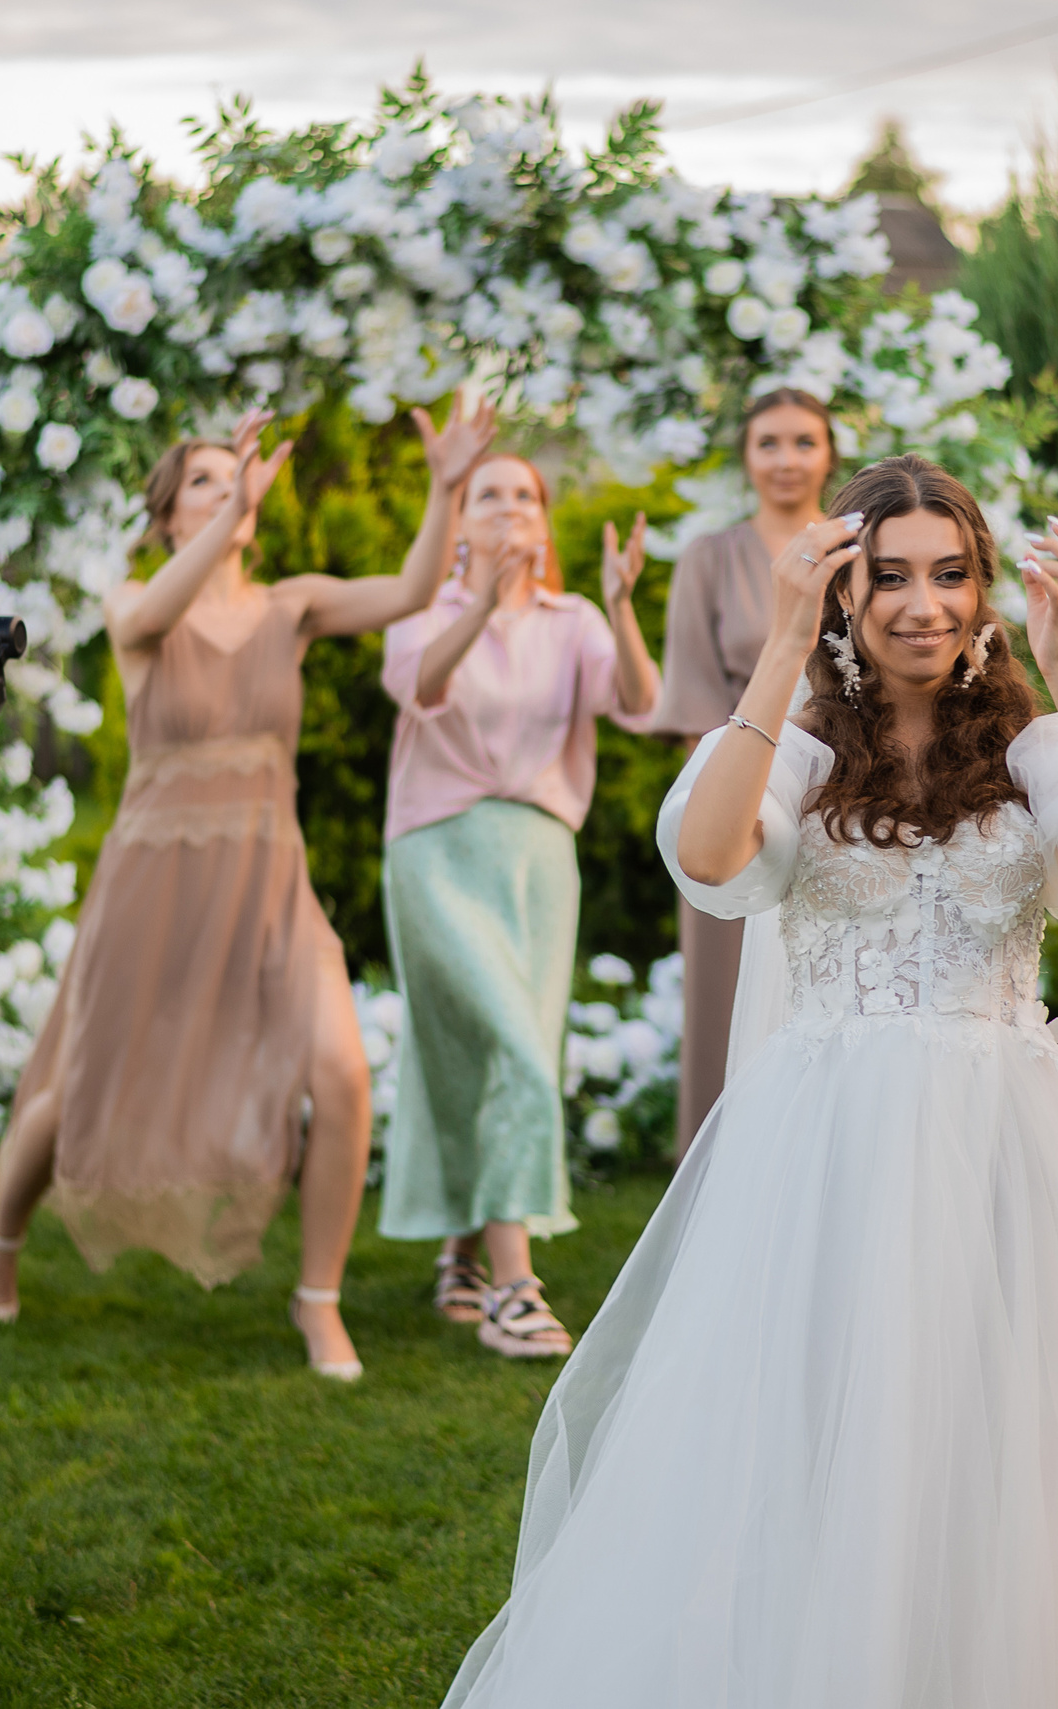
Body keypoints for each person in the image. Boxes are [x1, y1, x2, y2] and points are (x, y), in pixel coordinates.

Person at [438, 456, 1058, 1707]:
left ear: (981, 591)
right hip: (825, 1143)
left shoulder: (1026, 744)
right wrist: (781, 647)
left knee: (996, 1433)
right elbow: (709, 852)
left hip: (1002, 1139)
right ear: (846, 593)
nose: (922, 602)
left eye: (950, 574)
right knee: (812, 1429)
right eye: (889, 576)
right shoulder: (796, 740)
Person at [0, 400, 498, 1381]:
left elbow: (416, 588)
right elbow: (159, 610)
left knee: (341, 1071)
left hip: (267, 880)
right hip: (155, 882)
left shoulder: (290, 605)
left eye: (237, 478)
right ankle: (0, 1240)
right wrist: (221, 523)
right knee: (81, 1082)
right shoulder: (135, 606)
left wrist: (447, 483)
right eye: (204, 482)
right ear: (167, 516)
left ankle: (319, 1301)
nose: (231, 490)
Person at [376, 451, 661, 1358]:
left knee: (504, 1050)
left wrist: (619, 601)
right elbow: (421, 686)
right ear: (457, 523)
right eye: (486, 495)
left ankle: (462, 1252)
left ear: (543, 521)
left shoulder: (574, 619)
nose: (508, 508)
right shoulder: (422, 612)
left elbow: (638, 703)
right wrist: (487, 600)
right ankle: (514, 1286)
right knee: (500, 1047)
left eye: (524, 496)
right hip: (435, 849)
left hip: (539, 856)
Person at [651, 387, 840, 1152]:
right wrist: (746, 800)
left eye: (803, 441)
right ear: (746, 456)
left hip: (844, 801)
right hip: (740, 805)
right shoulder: (710, 558)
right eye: (769, 442)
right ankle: (717, 1186)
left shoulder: (860, 552)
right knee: (724, 1004)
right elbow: (694, 700)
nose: (787, 459)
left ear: (829, 452)